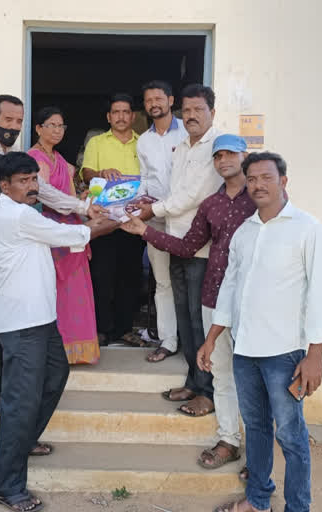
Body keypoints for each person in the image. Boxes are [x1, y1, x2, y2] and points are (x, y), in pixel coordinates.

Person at [197, 152, 322, 512]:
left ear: (283, 181)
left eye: (266, 177)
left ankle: (297, 508)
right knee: (256, 430)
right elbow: (229, 287)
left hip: (285, 353)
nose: (258, 184)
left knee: (291, 437)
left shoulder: (307, 229)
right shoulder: (245, 231)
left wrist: (315, 355)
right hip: (244, 350)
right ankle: (258, 500)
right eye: (252, 179)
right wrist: (212, 337)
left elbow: (321, 294)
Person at [0, 94, 105, 415]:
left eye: (18, 121)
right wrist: (8, 217)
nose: (13, 127)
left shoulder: (15, 155)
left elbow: (44, 191)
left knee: (12, 321)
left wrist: (81, 206)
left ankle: (7, 388)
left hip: (17, 246)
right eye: (7, 120)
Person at [0, 152, 113, 512]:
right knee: (20, 405)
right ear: (4, 186)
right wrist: (122, 219)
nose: (31, 187)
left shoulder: (25, 213)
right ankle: (7, 486)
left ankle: (24, 440)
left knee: (55, 375)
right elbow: (76, 233)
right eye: (23, 181)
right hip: (22, 324)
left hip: (41, 319)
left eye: (34, 180)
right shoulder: (16, 216)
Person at [122, 134, 254, 467]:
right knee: (222, 374)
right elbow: (187, 246)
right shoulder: (212, 204)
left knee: (257, 377)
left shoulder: (260, 198)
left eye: (230, 154)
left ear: (244, 156)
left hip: (256, 301)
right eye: (218, 156)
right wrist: (144, 231)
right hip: (216, 298)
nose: (224, 160)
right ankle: (228, 440)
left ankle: (260, 458)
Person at [136, 84, 223, 416]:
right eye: (187, 111)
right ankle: (193, 379)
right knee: (186, 318)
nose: (191, 116)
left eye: (198, 110)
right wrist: (148, 203)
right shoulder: (184, 146)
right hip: (176, 239)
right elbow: (171, 189)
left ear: (212, 113)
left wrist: (152, 212)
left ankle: (208, 391)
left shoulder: (217, 146)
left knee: (201, 322)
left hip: (201, 246)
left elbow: (195, 195)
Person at [27, 106, 100, 365]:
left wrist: (83, 202)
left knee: (75, 289)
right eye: (52, 125)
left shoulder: (62, 162)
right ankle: (59, 350)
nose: (57, 131)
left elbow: (67, 198)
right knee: (58, 289)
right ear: (38, 128)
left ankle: (76, 350)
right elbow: (46, 195)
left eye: (61, 126)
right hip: (51, 229)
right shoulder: (34, 158)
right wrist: (81, 206)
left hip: (70, 228)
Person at [80, 93, 145, 346]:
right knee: (102, 275)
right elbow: (86, 174)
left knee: (130, 276)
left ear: (133, 116)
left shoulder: (144, 143)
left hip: (133, 220)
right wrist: (100, 173)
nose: (120, 116)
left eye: (125, 112)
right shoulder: (97, 142)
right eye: (115, 112)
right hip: (103, 220)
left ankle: (124, 328)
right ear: (109, 117)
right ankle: (102, 329)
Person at [135, 80, 187, 363]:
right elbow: (145, 178)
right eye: (148, 100)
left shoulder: (188, 135)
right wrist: (138, 200)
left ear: (170, 100)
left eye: (158, 98)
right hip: (154, 218)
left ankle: (192, 340)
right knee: (163, 283)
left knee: (190, 281)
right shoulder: (144, 140)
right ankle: (168, 340)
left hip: (186, 219)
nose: (154, 104)